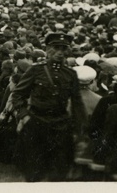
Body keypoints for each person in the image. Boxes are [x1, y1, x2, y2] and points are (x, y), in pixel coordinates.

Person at [10, 32, 87, 182]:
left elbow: (78, 104)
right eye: (56, 48)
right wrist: (24, 115)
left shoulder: (70, 74)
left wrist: (80, 130)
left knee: (58, 172)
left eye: (63, 49)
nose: (60, 52)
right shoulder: (35, 70)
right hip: (36, 123)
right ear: (47, 49)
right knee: (33, 171)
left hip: (60, 125)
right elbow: (18, 95)